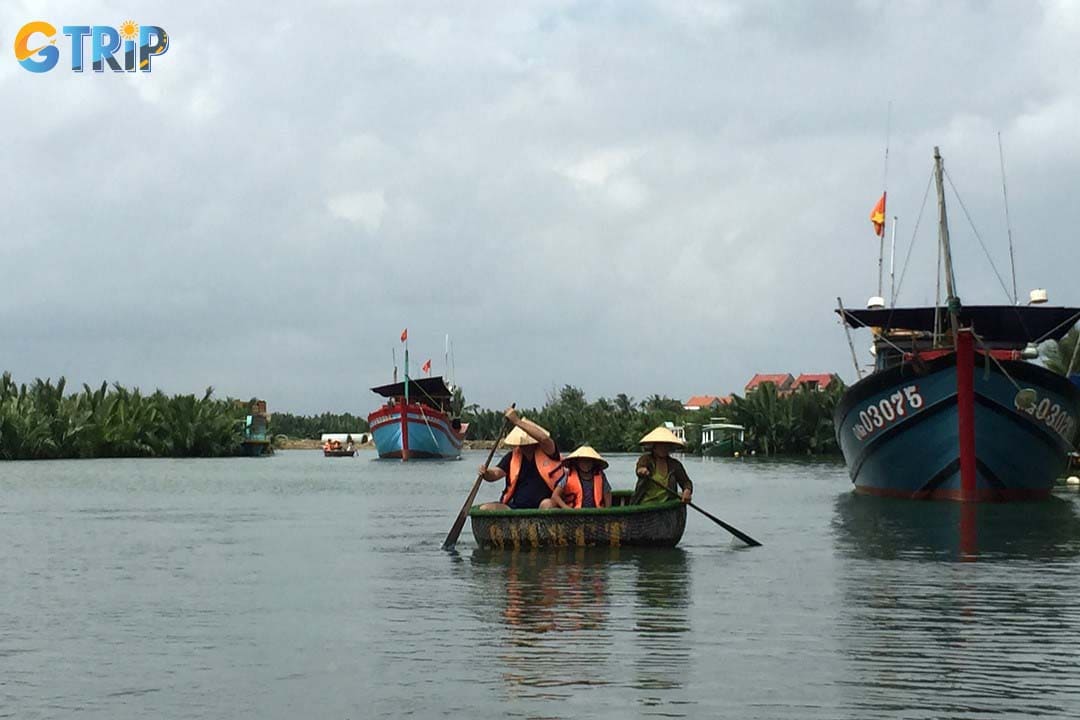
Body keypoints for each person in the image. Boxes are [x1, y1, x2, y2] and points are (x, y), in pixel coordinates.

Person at [478, 407, 561, 510]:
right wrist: (486, 473)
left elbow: (544, 439)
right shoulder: (512, 456)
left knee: (548, 504)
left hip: (542, 505)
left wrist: (517, 421)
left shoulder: (548, 451)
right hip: (515, 506)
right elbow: (495, 473)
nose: (524, 446)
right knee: (485, 508)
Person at [631, 426, 693, 505]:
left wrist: (687, 491)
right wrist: (642, 470)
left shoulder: (675, 465)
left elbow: (686, 482)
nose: (663, 448)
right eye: (660, 445)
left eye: (666, 445)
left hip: (667, 505)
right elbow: (640, 468)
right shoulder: (646, 459)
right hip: (645, 505)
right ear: (654, 447)